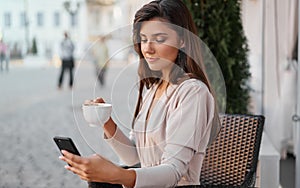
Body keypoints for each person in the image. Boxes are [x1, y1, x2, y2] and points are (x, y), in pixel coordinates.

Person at [59, 0, 221, 187]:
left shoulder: (193, 92)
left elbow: (174, 171)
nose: (148, 48)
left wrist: (117, 175)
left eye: (159, 39)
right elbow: (136, 158)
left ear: (182, 40)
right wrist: (107, 122)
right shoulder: (153, 89)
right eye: (143, 39)